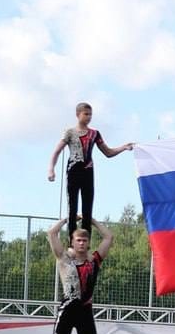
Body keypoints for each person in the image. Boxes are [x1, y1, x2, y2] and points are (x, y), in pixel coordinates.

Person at [46, 102, 134, 240]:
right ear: (78, 115)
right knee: (72, 207)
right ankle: (71, 241)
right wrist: (51, 169)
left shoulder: (94, 133)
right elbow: (57, 151)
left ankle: (86, 241)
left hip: (88, 172)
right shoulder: (70, 132)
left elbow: (108, 152)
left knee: (87, 208)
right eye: (86, 114)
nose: (89, 117)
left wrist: (123, 147)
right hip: (74, 171)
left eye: (90, 114)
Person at [45, 217, 113, 334]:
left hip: (85, 310)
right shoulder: (64, 258)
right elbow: (52, 233)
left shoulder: (94, 260)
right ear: (72, 242)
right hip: (68, 308)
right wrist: (67, 219)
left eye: (84, 240)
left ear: (89, 243)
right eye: (78, 240)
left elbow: (109, 237)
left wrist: (92, 221)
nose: (81, 243)